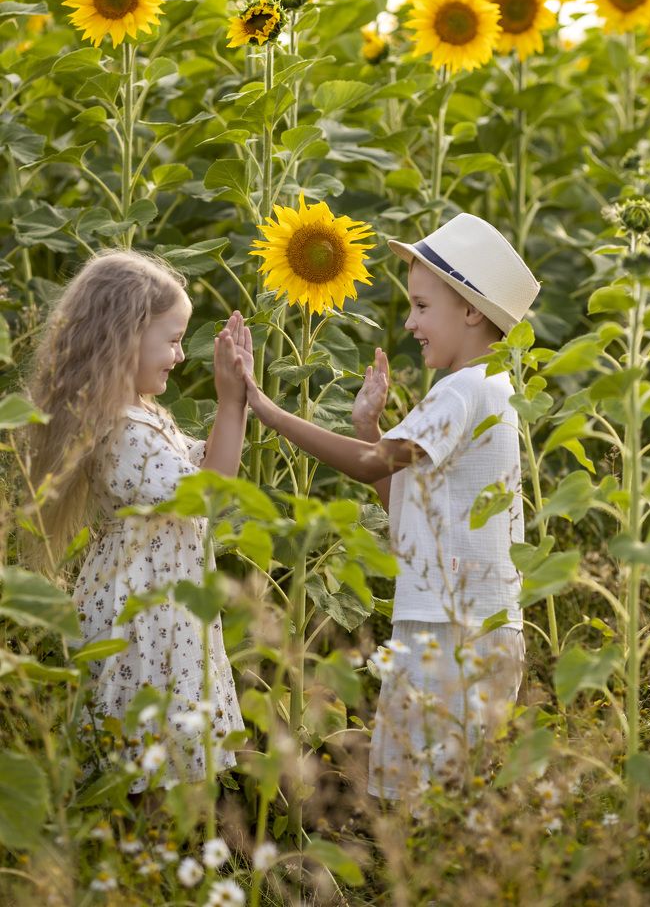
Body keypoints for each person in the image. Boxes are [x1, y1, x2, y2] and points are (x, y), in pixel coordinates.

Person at [232, 212, 540, 801]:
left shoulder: (463, 389)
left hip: (447, 632)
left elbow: (374, 463)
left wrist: (265, 409)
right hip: (476, 624)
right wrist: (370, 424)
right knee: (460, 801)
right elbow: (407, 516)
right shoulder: (494, 388)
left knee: (420, 802)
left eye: (422, 307)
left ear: (471, 310)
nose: (410, 322)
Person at [24, 250, 250, 793]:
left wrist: (234, 403)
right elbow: (208, 494)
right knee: (147, 745)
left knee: (155, 742)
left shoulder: (143, 413)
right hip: (146, 605)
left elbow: (201, 462)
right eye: (172, 340)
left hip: (165, 596)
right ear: (125, 337)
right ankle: (138, 856)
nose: (179, 354)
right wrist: (230, 402)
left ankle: (147, 856)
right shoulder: (123, 429)